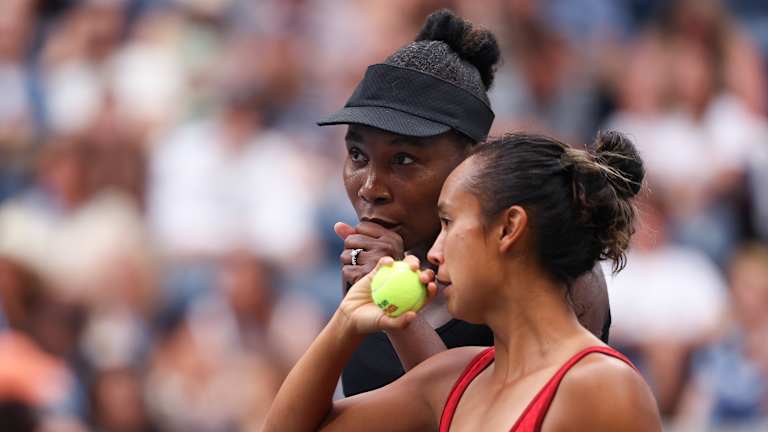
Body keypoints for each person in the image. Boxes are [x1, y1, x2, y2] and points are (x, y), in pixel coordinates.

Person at [263, 131, 662, 431]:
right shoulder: (454, 376)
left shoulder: (603, 388)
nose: (434, 253)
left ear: (508, 228)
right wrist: (345, 324)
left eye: (449, 223)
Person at [317, 9, 612, 396]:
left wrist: (400, 316)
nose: (371, 187)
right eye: (357, 155)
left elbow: (486, 415)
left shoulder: (549, 269)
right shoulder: (365, 263)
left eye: (403, 160)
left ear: (471, 163)